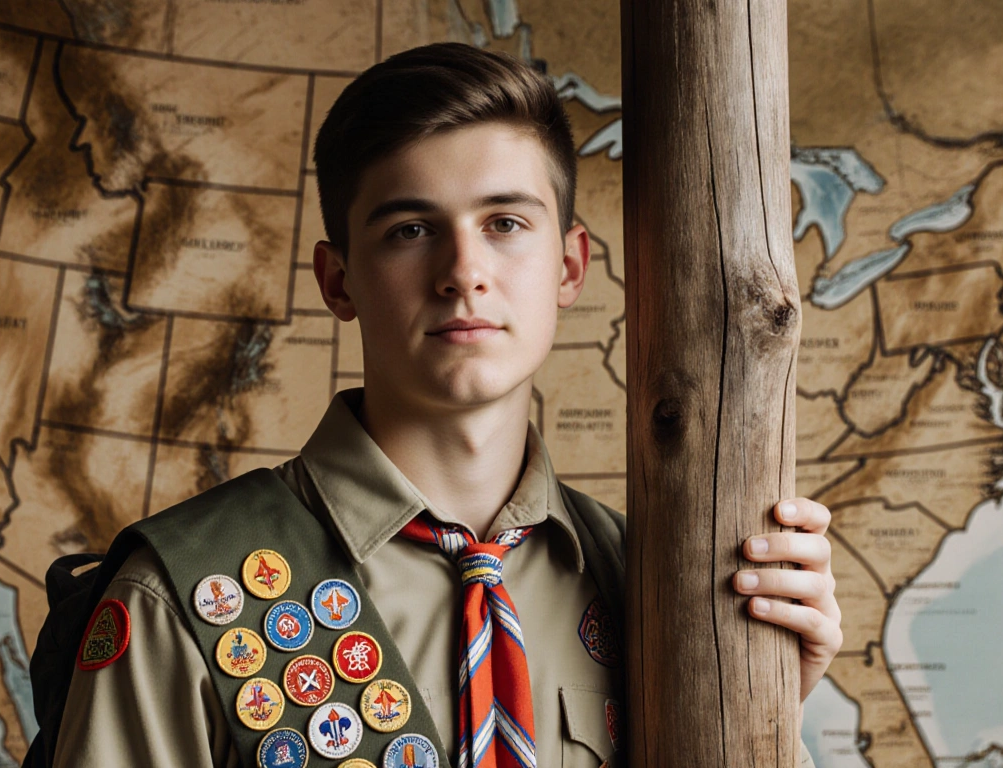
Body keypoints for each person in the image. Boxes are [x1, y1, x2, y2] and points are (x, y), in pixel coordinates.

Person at [53, 42, 842, 767]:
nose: (463, 271)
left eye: (504, 223)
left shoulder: (658, 589)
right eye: (409, 230)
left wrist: (759, 701)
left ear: (568, 266)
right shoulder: (187, 595)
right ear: (339, 281)